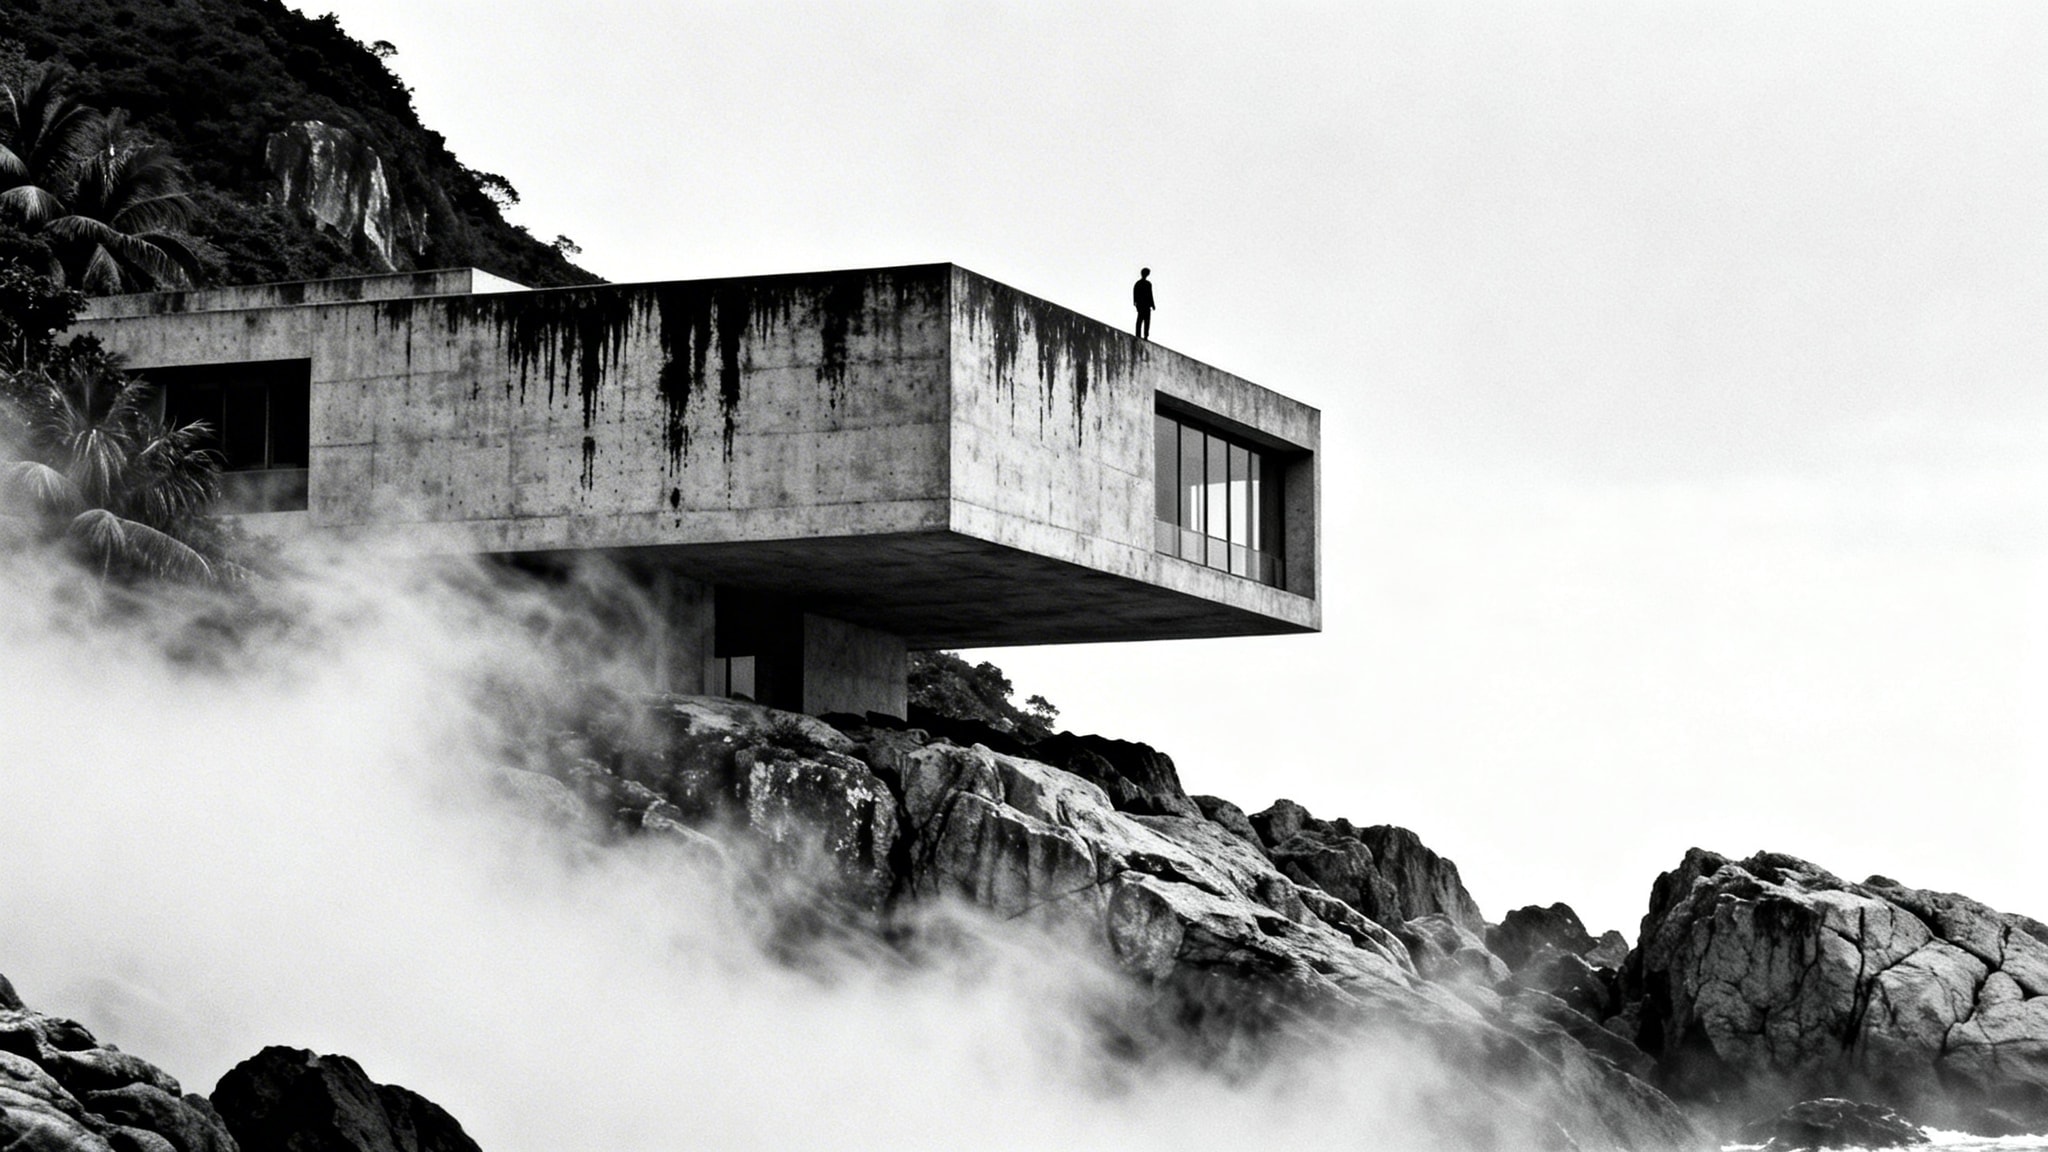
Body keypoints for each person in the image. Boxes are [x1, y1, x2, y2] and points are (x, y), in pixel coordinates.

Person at [1133, 268, 1155, 339]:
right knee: (1143, 320)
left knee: (1144, 320)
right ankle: (1142, 335)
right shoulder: (1145, 284)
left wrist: (1152, 304)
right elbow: (1136, 294)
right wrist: (1135, 303)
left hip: (1144, 305)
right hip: (1143, 305)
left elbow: (1150, 295)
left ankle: (1143, 335)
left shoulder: (1142, 283)